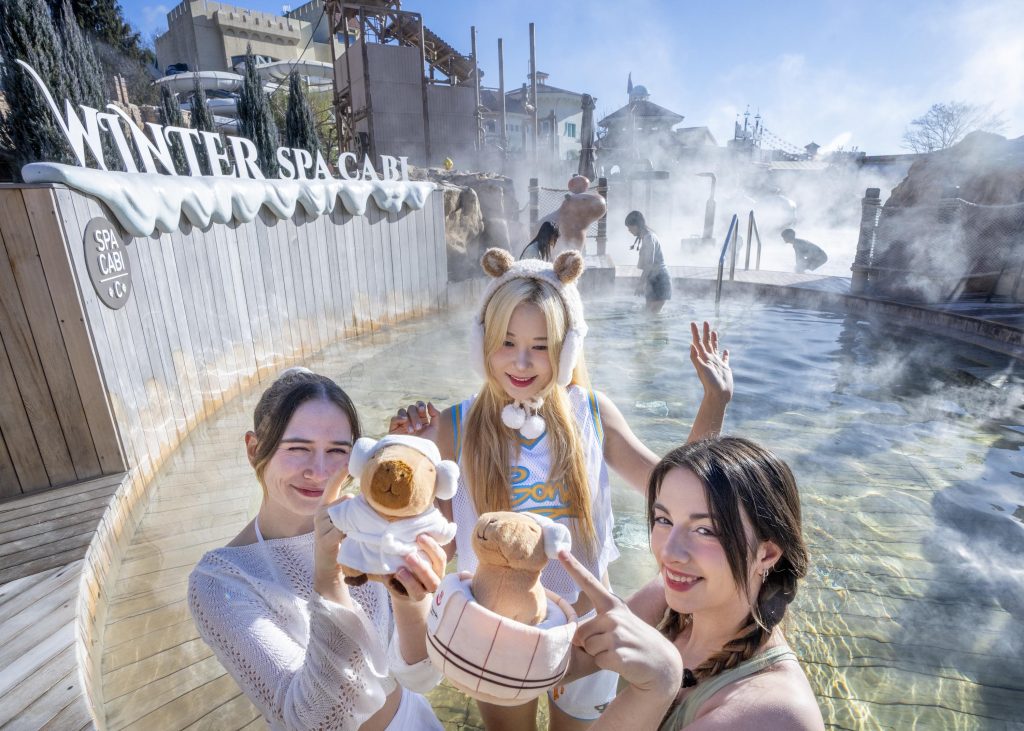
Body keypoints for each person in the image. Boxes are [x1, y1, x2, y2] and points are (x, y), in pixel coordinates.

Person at [390, 249, 733, 731]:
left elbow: (680, 495)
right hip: (498, 628)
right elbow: (418, 528)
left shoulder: (592, 414)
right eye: (506, 342)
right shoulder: (456, 424)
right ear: (482, 342)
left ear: (568, 348)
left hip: (589, 626)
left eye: (543, 345)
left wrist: (713, 402)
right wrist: (404, 453)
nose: (523, 362)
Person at [188, 368, 446, 731]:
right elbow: (312, 722)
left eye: (337, 451)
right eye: (298, 448)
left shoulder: (370, 533)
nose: (319, 471)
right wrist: (329, 580)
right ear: (254, 449)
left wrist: (408, 597)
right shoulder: (219, 582)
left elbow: (421, 677)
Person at [562, 436, 824, 730]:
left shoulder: (773, 711)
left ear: (768, 553)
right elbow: (565, 663)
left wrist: (659, 683)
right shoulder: (668, 598)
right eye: (664, 520)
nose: (669, 553)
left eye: (705, 530)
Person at [625, 210, 671, 313]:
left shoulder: (649, 238)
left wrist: (641, 283)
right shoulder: (646, 237)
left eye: (629, 227)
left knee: (653, 316)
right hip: (653, 278)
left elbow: (649, 264)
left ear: (636, 225)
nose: (629, 230)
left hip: (660, 280)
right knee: (648, 314)